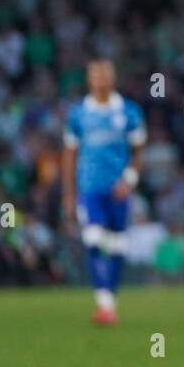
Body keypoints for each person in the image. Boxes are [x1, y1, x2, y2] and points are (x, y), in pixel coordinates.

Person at [62, 59, 146, 326]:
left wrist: (130, 180)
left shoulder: (129, 112)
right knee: (94, 237)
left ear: (113, 78)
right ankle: (104, 304)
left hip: (118, 189)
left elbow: (138, 150)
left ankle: (109, 300)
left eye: (106, 75)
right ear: (89, 80)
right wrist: (68, 193)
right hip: (90, 188)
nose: (101, 80)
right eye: (96, 75)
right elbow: (69, 154)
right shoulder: (78, 114)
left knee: (118, 244)